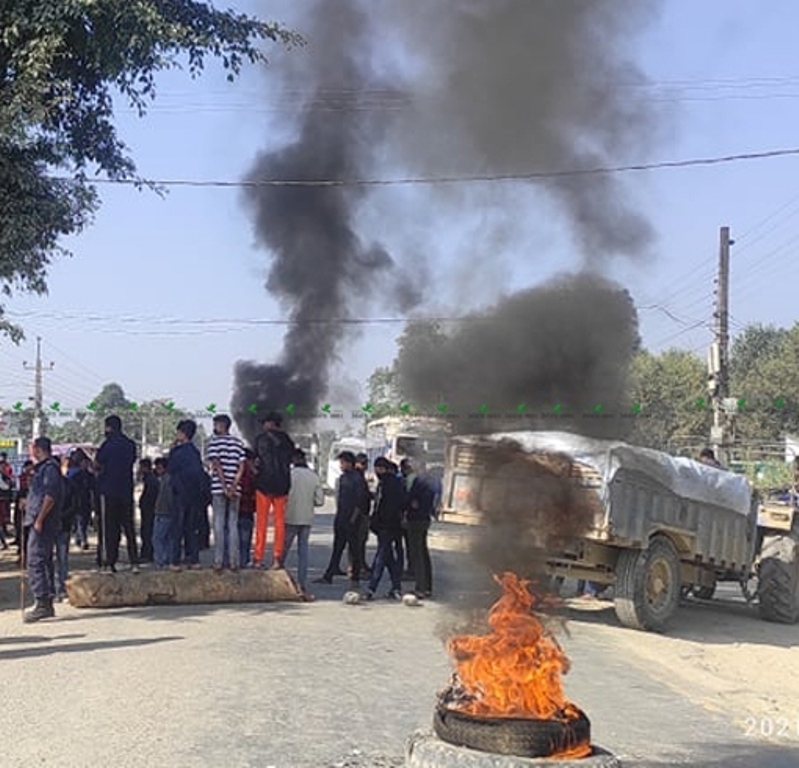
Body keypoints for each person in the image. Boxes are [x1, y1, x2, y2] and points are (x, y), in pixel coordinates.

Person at [23, 437, 65, 623]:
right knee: (42, 560)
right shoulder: (42, 469)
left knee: (36, 560)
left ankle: (42, 601)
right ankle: (45, 600)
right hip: (37, 520)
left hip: (43, 523)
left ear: (38, 449)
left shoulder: (49, 469)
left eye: (32, 448)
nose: (30, 452)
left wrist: (39, 519)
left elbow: (50, 496)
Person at [316, 451, 369, 588]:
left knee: (354, 549)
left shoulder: (357, 479)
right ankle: (329, 575)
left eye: (342, 462)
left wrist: (353, 519)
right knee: (337, 548)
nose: (340, 465)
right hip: (341, 518)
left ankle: (355, 578)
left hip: (352, 520)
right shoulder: (342, 478)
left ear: (349, 463)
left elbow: (360, 501)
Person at [95, 415, 138, 572]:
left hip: (108, 491)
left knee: (109, 529)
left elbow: (97, 463)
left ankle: (109, 562)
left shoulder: (106, 445)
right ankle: (134, 561)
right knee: (129, 527)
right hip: (126, 490)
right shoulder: (130, 444)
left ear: (108, 427)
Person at [253, 412, 295, 569]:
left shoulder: (260, 439)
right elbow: (291, 458)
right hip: (282, 487)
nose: (263, 426)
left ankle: (258, 557)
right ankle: (277, 558)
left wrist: (256, 471)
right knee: (279, 524)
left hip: (263, 486)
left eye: (264, 422)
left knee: (262, 524)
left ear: (270, 424)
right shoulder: (287, 441)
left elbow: (254, 460)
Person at [280, 449, 324, 600]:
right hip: (306, 518)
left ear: (293, 460)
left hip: (290, 517)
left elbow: (282, 495)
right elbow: (320, 501)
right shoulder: (314, 476)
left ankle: (279, 575)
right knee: (303, 551)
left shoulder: (288, 475)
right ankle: (301, 582)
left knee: (283, 548)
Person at [206, 414, 246, 572]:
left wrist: (224, 486)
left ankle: (218, 561)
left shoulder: (214, 443)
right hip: (236, 490)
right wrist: (233, 485)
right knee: (232, 525)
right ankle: (234, 561)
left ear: (221, 425)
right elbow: (242, 466)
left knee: (218, 524)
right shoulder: (238, 443)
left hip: (218, 488)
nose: (214, 428)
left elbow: (216, 465)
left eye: (215, 425)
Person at [363, 457, 405, 601]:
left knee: (381, 557)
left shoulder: (390, 484)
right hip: (387, 526)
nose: (377, 471)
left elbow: (389, 507)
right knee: (388, 558)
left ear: (385, 469)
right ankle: (396, 587)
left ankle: (371, 588)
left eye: (379, 468)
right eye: (376, 468)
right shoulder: (387, 483)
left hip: (388, 526)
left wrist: (380, 521)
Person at [168, 420, 207, 568]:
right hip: (194, 495)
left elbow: (170, 470)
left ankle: (175, 561)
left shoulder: (177, 452)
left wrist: (172, 449)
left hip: (180, 494)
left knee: (177, 528)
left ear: (183, 434)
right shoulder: (195, 452)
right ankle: (194, 559)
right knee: (191, 528)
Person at [406, 464, 438, 599]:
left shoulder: (419, 482)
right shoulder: (430, 481)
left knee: (417, 554)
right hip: (424, 519)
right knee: (423, 554)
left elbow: (411, 500)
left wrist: (409, 505)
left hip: (416, 520)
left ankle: (420, 588)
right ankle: (427, 587)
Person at [152, 457, 175, 570]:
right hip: (168, 513)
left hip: (163, 512)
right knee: (169, 538)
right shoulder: (166, 479)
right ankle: (168, 559)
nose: (157, 470)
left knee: (157, 538)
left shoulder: (166, 481)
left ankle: (160, 560)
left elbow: (168, 498)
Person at [353, 452, 372, 579]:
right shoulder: (357, 477)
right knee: (358, 542)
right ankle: (357, 568)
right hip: (359, 515)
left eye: (366, 463)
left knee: (361, 541)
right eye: (363, 463)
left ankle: (361, 565)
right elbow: (359, 499)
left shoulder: (361, 476)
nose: (365, 466)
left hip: (363, 514)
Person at [237, 449, 257, 568]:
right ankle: (243, 562)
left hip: (238, 509)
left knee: (237, 537)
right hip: (246, 510)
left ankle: (236, 561)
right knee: (244, 539)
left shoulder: (237, 470)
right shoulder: (248, 474)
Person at [138, 458, 159, 563]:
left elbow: (150, 496)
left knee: (147, 531)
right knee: (146, 531)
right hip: (148, 509)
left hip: (149, 510)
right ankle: (146, 552)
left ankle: (147, 553)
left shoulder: (150, 480)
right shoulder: (149, 479)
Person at [0, 451, 14, 543]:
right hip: (2, 492)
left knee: (4, 514)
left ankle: (5, 532)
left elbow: (10, 477)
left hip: (5, 493)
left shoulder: (7, 466)